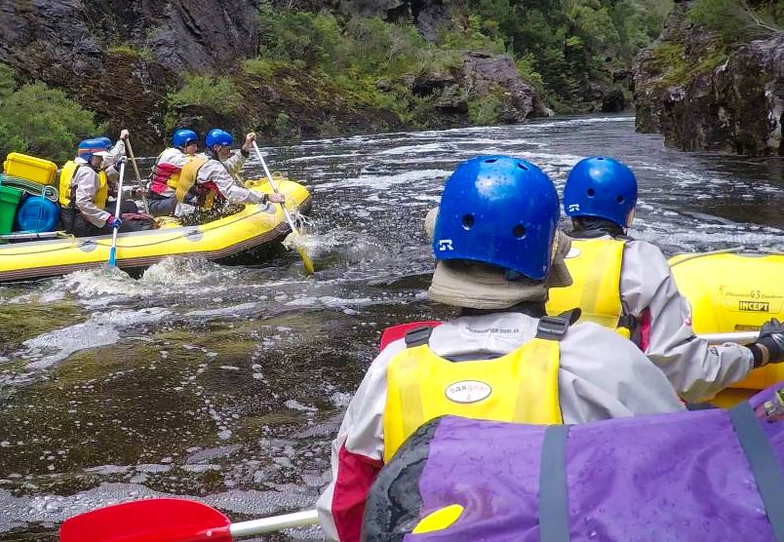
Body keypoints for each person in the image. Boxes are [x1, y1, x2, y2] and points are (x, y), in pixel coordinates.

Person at [316, 155, 686, 542]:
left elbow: (344, 507)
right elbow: (677, 475)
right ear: (550, 253)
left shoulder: (392, 366)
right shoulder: (603, 360)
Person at [547, 157, 784, 403]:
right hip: (613, 417)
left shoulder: (543, 257)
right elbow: (689, 375)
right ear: (629, 214)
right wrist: (765, 350)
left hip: (545, 410)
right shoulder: (640, 261)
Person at [172, 129, 285, 219]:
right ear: (217, 147)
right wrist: (266, 197)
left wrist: (245, 148)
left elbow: (228, 168)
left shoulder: (201, 158)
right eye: (227, 148)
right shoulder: (212, 166)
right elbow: (231, 192)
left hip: (186, 209)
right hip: (194, 214)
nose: (230, 152)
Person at [58, 138, 148, 237]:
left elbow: (109, 189)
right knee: (139, 227)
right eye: (99, 157)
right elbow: (82, 202)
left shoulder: (73, 165)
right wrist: (107, 218)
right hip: (83, 221)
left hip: (75, 216)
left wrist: (132, 191)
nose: (102, 160)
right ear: (89, 156)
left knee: (129, 207)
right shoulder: (88, 173)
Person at [147, 128, 199, 216]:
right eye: (193, 145)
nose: (196, 149)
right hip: (158, 204)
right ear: (183, 145)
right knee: (192, 203)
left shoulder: (181, 155)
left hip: (167, 200)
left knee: (195, 198)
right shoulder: (172, 156)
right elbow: (197, 167)